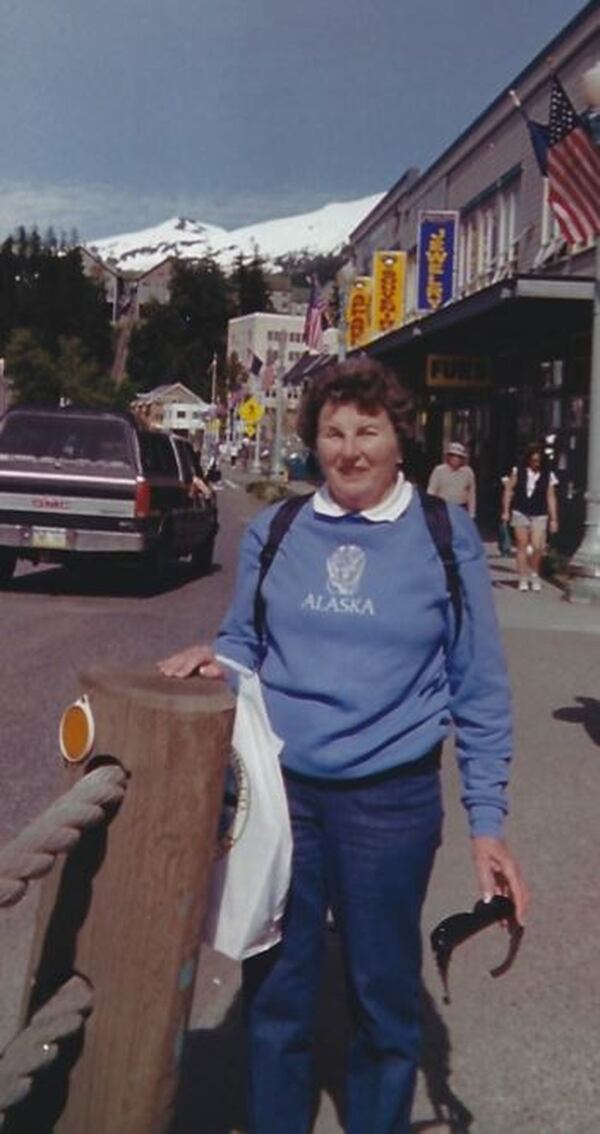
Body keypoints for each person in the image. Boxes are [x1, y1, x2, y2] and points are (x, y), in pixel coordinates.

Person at [159, 358, 528, 1134]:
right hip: (281, 802)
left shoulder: (443, 535)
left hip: (390, 805)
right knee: (277, 997)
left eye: (369, 429)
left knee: (383, 1001)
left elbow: (480, 688)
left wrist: (487, 823)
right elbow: (244, 642)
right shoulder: (277, 530)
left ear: (401, 440)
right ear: (313, 441)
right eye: (333, 431)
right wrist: (215, 661)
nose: (350, 448)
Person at [501, 442, 559, 592]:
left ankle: (534, 572)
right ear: (528, 459)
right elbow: (508, 490)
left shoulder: (548, 475)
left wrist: (554, 519)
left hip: (539, 512)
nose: (536, 463)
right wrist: (506, 511)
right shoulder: (518, 471)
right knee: (522, 545)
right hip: (521, 510)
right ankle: (523, 577)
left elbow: (551, 497)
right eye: (533, 460)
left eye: (538, 461)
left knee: (537, 546)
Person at [427, 441, 477, 518]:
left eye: (459, 456)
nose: (456, 458)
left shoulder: (468, 472)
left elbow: (471, 494)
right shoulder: (439, 470)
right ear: (448, 457)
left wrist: (471, 514)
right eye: (453, 455)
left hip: (461, 508)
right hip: (442, 508)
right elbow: (431, 491)